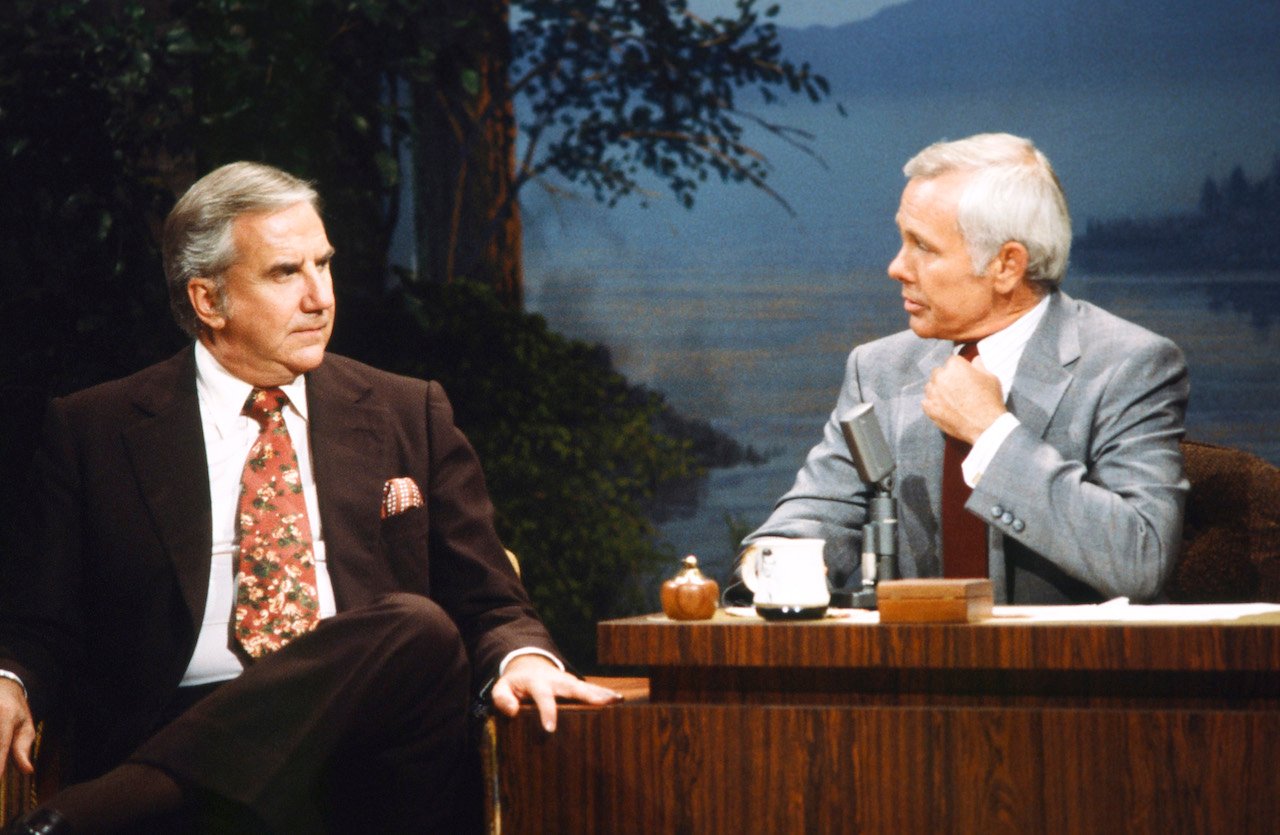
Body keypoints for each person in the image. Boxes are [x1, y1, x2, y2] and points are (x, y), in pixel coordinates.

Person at [0, 161, 621, 834]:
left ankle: (85, 817)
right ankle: (162, 790)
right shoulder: (96, 428)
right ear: (208, 300)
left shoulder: (409, 410)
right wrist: (9, 679)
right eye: (284, 273)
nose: (320, 297)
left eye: (323, 266)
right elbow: (40, 621)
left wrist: (523, 656)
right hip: (176, 724)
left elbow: (492, 598)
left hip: (371, 749)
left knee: (417, 627)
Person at [740, 132, 1189, 605]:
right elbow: (814, 517)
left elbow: (1141, 560)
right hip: (910, 669)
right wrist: (767, 567)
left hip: (1059, 672)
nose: (896, 267)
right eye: (901, 240)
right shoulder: (878, 370)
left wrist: (993, 434)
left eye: (923, 247)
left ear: (1006, 265)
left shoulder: (1129, 366)